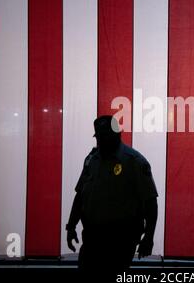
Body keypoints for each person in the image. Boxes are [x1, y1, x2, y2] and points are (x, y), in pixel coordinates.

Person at [66, 115, 158, 270]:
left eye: (106, 136)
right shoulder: (92, 160)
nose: (101, 141)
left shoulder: (134, 162)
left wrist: (149, 237)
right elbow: (81, 195)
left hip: (121, 239)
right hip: (93, 237)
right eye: (99, 137)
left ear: (117, 134)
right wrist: (71, 227)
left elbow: (150, 202)